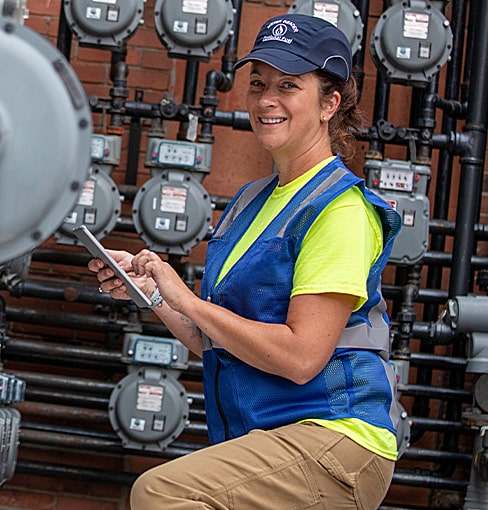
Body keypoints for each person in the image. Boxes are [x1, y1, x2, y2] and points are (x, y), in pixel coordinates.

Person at [88, 13, 402, 509]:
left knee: (162, 494)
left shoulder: (340, 209)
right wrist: (149, 289)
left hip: (335, 439)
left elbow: (301, 357)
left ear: (329, 103)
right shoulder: (252, 201)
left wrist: (186, 298)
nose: (266, 100)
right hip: (276, 433)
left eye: (288, 86)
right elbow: (218, 340)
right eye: (257, 84)